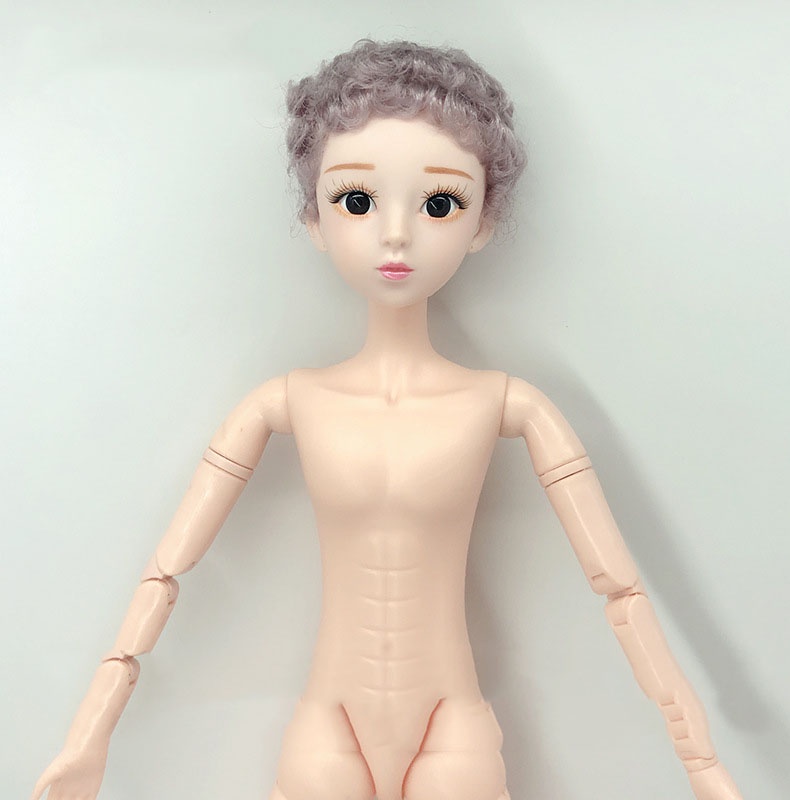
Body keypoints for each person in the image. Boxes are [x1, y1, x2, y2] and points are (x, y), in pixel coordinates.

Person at [32, 40, 742, 800]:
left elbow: (619, 591)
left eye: (439, 203)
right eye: (357, 200)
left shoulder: (509, 405)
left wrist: (702, 764)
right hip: (328, 725)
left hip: (451, 724)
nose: (396, 234)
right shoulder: (283, 403)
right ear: (315, 219)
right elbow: (167, 574)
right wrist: (88, 739)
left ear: (481, 223)